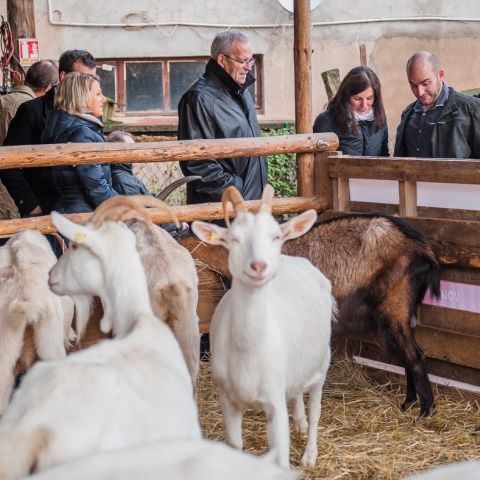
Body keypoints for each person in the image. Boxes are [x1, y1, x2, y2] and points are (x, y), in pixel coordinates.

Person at [1, 49, 96, 217]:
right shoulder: (31, 111)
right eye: (83, 78)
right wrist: (30, 205)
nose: (90, 84)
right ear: (63, 77)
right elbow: (8, 164)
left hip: (87, 209)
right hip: (45, 209)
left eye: (93, 78)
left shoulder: (93, 110)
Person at [177, 30, 267, 204]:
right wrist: (235, 192)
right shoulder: (198, 98)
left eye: (250, 60)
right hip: (225, 211)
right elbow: (197, 162)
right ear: (221, 60)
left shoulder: (242, 92)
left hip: (252, 204)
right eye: (242, 61)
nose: (249, 67)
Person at [41, 72, 117, 213]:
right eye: (98, 94)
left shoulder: (59, 125)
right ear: (82, 97)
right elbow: (95, 187)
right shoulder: (82, 133)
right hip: (83, 217)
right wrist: (123, 209)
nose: (104, 99)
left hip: (65, 211)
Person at [394, 51, 480, 158]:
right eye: (413, 86)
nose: (420, 92)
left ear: (440, 75)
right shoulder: (407, 114)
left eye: (425, 83)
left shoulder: (472, 109)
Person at [313, 66, 388, 156]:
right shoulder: (326, 121)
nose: (364, 105)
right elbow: (320, 160)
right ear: (346, 95)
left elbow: (384, 154)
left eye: (369, 98)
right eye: (357, 99)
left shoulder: (379, 118)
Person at [106, 130, 150, 196]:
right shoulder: (123, 180)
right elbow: (138, 204)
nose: (135, 151)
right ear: (118, 151)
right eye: (130, 148)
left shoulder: (124, 172)